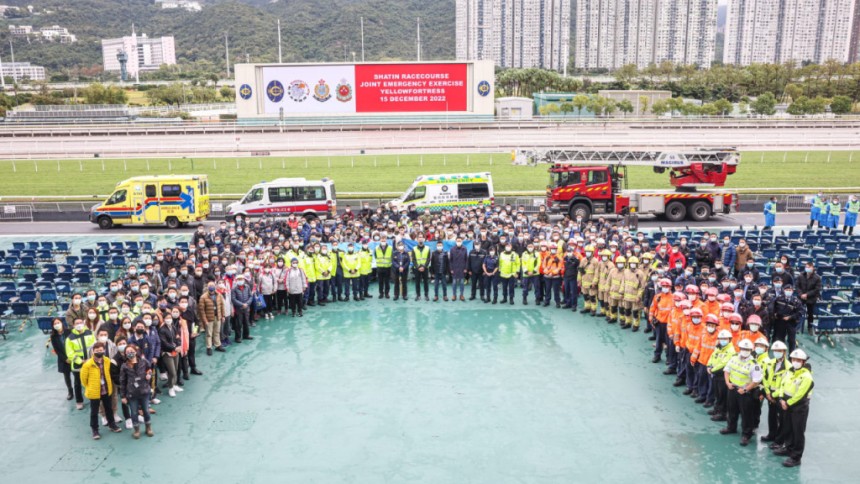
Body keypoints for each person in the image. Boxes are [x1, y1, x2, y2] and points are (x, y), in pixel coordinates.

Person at [773, 349, 814, 467]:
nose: (795, 362)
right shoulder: (789, 372)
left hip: (798, 407)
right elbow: (782, 385)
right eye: (794, 359)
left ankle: (796, 457)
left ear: (803, 362)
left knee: (798, 431)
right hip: (786, 404)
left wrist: (788, 403)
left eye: (798, 360)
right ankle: (789, 448)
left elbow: (800, 394)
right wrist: (781, 398)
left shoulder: (807, 377)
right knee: (788, 427)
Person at [721, 338, 763, 446]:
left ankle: (746, 435)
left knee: (746, 414)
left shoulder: (754, 364)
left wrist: (745, 389)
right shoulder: (734, 358)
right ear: (740, 349)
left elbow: (756, 381)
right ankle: (731, 427)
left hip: (745, 392)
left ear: (751, 350)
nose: (745, 351)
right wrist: (727, 383)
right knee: (731, 410)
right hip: (732, 388)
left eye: (747, 349)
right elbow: (727, 370)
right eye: (743, 348)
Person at [80, 341, 122, 439]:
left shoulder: (107, 360)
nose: (99, 352)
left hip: (106, 389)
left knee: (109, 408)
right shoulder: (88, 364)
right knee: (94, 412)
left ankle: (112, 425)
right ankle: (95, 430)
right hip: (94, 391)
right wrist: (90, 386)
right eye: (97, 350)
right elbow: (83, 379)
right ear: (93, 351)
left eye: (101, 350)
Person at [119, 343, 154, 439]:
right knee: (134, 412)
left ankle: (148, 428)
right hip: (132, 394)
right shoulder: (124, 366)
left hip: (144, 392)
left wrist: (149, 374)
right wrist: (122, 396)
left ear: (136, 351)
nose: (130, 353)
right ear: (125, 354)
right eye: (127, 352)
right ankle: (137, 430)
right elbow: (122, 381)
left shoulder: (143, 361)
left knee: (146, 411)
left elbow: (149, 369)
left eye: (132, 351)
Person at [760, 341, 788, 445]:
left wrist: (773, 395)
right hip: (770, 394)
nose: (777, 352)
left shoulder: (788, 367)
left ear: (784, 352)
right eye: (775, 351)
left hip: (780, 396)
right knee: (771, 415)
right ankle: (772, 434)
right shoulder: (770, 363)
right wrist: (767, 393)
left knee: (781, 418)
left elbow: (784, 385)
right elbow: (765, 377)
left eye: (779, 351)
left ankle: (779, 440)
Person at [65, 318, 95, 410]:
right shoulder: (70, 338)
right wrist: (81, 361)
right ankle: (79, 401)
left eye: (80, 323)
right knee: (78, 383)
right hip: (78, 364)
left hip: (90, 361)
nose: (79, 324)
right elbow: (70, 353)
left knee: (91, 381)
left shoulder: (90, 333)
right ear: (73, 325)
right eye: (77, 323)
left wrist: (92, 358)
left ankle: (93, 398)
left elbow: (94, 346)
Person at [707, 329, 736, 423]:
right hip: (716, 374)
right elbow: (712, 356)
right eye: (721, 338)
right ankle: (717, 409)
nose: (723, 340)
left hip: (722, 375)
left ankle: (722, 413)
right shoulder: (718, 347)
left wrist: (712, 370)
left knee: (723, 395)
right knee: (717, 393)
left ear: (729, 339)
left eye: (725, 339)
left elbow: (724, 364)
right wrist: (709, 365)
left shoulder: (730, 351)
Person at [770, 286, 804, 352]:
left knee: (791, 340)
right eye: (787, 289)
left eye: (790, 290)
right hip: (780, 321)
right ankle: (780, 354)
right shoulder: (779, 299)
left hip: (791, 322)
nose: (788, 291)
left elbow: (800, 312)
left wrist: (790, 317)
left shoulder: (796, 301)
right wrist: (774, 314)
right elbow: (772, 307)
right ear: (784, 290)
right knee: (780, 339)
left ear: (792, 291)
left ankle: (791, 355)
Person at [49, 318, 75, 401]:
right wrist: (65, 359)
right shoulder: (53, 336)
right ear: (53, 326)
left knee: (77, 375)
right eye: (55, 323)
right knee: (67, 376)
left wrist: (72, 357)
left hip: (73, 357)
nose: (57, 324)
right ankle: (70, 391)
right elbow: (57, 350)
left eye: (58, 322)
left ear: (62, 323)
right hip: (63, 359)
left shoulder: (69, 331)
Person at [198, 281, 224, 356]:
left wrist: (223, 316)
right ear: (207, 287)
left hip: (217, 317)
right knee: (209, 334)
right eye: (210, 285)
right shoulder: (203, 297)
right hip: (209, 318)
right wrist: (205, 320)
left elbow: (222, 306)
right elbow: (201, 310)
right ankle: (209, 347)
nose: (211, 287)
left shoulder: (219, 295)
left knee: (217, 332)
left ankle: (217, 345)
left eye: (213, 285)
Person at [158, 314, 181, 398]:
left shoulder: (173, 327)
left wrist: (179, 345)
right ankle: (170, 388)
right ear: (164, 319)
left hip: (176, 352)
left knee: (176, 368)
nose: (169, 319)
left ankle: (174, 385)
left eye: (170, 318)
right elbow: (164, 343)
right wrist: (174, 347)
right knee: (172, 372)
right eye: (167, 318)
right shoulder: (162, 330)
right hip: (167, 353)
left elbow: (177, 337)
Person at [795, 263, 821, 334]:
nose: (807, 268)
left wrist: (807, 294)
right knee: (798, 312)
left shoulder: (817, 278)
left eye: (809, 267)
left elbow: (817, 289)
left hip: (811, 298)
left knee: (810, 314)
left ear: (813, 267)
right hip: (801, 297)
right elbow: (797, 286)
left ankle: (810, 327)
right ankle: (797, 327)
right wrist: (801, 294)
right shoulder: (801, 276)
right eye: (806, 267)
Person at [230, 274, 253, 342]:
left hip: (246, 308)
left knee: (246, 322)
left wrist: (247, 304)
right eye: (239, 279)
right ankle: (238, 337)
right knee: (238, 324)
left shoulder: (247, 287)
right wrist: (242, 304)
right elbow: (233, 299)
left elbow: (250, 296)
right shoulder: (234, 289)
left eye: (241, 279)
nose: (240, 281)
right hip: (238, 309)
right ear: (237, 281)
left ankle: (246, 335)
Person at [449, 236, 469, 302]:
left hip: (462, 268)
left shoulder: (465, 249)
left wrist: (466, 268)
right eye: (457, 241)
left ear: (462, 241)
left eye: (460, 241)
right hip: (454, 268)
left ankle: (461, 295)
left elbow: (466, 259)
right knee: (454, 283)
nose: (459, 242)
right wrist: (451, 269)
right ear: (455, 241)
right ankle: (454, 295)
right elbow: (450, 260)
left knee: (462, 283)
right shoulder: (452, 249)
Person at [411, 237, 431, 301]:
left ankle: (426, 295)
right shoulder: (414, 249)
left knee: (426, 282)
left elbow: (428, 259)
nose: (420, 239)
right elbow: (413, 259)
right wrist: (418, 267)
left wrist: (424, 267)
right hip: (417, 269)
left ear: (424, 239)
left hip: (425, 268)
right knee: (417, 282)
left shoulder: (428, 248)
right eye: (419, 238)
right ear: (417, 240)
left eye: (422, 237)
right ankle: (418, 295)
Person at [562, 246, 580, 311]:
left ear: (573, 252)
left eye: (570, 251)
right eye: (568, 251)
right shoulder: (565, 258)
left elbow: (578, 268)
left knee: (573, 292)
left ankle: (574, 305)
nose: (569, 253)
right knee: (566, 291)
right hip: (566, 277)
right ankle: (568, 303)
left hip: (573, 277)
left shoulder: (576, 259)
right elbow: (563, 267)